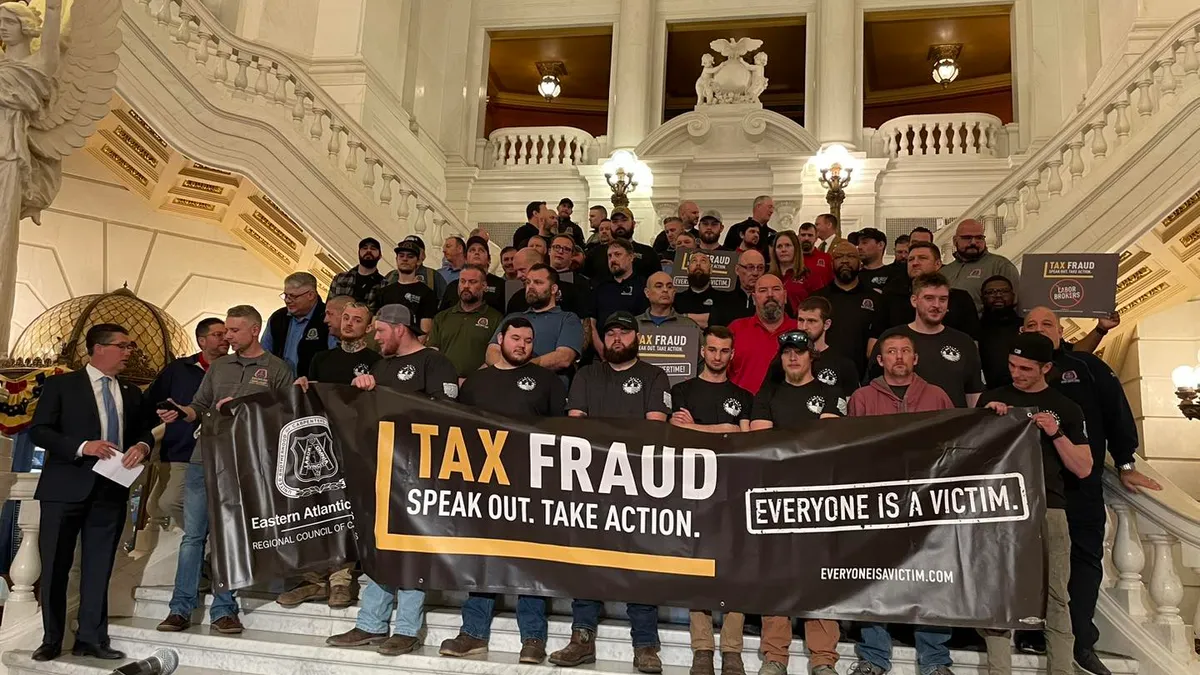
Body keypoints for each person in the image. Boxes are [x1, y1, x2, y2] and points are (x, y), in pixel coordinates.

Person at [1021, 307, 1160, 675]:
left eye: (1046, 324)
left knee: (1084, 562)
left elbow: (1116, 412)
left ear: (1061, 330)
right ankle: (1030, 633)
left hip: (1080, 487)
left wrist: (1126, 464)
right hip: (1032, 491)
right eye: (1031, 325)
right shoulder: (1013, 378)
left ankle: (1081, 641)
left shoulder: (1085, 366)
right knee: (1031, 563)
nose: (1039, 330)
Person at [326, 304, 458, 656]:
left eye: (380, 331)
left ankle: (407, 628)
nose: (375, 337)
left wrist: (393, 402)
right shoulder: (380, 366)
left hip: (421, 470)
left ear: (400, 329)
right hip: (381, 466)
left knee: (411, 546)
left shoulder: (434, 362)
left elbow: (448, 413)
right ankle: (371, 622)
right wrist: (362, 388)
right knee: (379, 544)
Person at [157, 306, 294, 638]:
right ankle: (180, 609)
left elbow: (287, 418)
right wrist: (182, 412)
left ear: (254, 330)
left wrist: (246, 408)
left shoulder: (277, 369)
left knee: (228, 539)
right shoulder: (218, 367)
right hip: (203, 459)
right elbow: (200, 406)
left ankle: (223, 610)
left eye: (234, 330)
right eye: (226, 331)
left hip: (244, 465)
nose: (227, 337)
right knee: (192, 538)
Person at [439, 317, 565, 665]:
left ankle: (534, 638)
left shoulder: (547, 381)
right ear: (501, 339)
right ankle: (473, 633)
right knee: (482, 557)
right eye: (516, 338)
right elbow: (457, 432)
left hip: (532, 486)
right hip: (484, 484)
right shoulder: (477, 382)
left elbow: (563, 434)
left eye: (528, 340)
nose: (522, 344)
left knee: (530, 559)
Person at [551, 311, 669, 674]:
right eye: (611, 333)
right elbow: (576, 426)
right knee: (587, 558)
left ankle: (645, 643)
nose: (617, 338)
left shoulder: (654, 375)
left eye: (625, 333)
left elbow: (655, 428)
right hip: (592, 481)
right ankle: (581, 637)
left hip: (639, 483)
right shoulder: (587, 374)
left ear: (637, 337)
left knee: (640, 561)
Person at [29, 324, 154, 662]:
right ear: (99, 348)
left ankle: (92, 638)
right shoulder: (61, 385)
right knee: (55, 566)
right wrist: (84, 446)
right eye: (123, 346)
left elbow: (144, 430)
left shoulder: (131, 392)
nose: (129, 352)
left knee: (99, 568)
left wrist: (142, 445)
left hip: (111, 490)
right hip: (64, 489)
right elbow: (39, 431)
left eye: (130, 346)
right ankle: (52, 639)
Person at [976, 332, 1094, 675]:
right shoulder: (993, 398)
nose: (1016, 373)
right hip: (1000, 507)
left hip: (1048, 508)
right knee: (997, 594)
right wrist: (986, 421)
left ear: (1046, 367)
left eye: (1026, 368)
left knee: (1056, 597)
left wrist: (1056, 433)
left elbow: (1084, 468)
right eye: (1012, 366)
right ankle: (1000, 670)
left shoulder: (1067, 407)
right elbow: (969, 456)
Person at [845, 332, 955, 675]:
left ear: (916, 358)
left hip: (927, 503)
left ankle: (935, 659)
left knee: (933, 576)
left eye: (906, 351)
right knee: (874, 577)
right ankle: (874, 656)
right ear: (879, 360)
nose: (899, 357)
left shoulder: (937, 396)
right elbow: (851, 447)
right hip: (878, 501)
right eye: (891, 351)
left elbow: (956, 443)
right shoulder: (862, 398)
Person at [747, 330, 841, 675]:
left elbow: (829, 440)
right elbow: (761, 440)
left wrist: (789, 442)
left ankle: (823, 658)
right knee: (777, 574)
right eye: (787, 352)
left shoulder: (830, 393)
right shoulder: (767, 393)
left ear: (810, 355)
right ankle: (774, 655)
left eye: (799, 352)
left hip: (819, 498)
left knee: (821, 574)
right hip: (776, 496)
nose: (793, 358)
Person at [278, 301, 380, 609]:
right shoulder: (320, 358)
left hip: (357, 447)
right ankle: (312, 580)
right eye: (346, 318)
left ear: (369, 326)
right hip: (318, 447)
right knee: (314, 510)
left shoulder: (377, 362)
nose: (349, 324)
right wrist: (303, 385)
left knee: (345, 512)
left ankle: (340, 581)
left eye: (357, 320)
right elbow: (310, 399)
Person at [669, 325, 751, 675]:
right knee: (697, 567)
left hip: (734, 490)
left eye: (724, 351)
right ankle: (702, 648)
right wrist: (724, 430)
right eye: (712, 350)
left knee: (737, 568)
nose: (717, 356)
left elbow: (744, 440)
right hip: (694, 490)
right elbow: (675, 437)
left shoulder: (744, 396)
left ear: (732, 355)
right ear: (702, 351)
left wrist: (699, 429)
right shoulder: (681, 391)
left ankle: (731, 650)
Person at [144, 318, 229, 529]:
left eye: (226, 334)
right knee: (166, 502)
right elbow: (152, 399)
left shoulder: (234, 369)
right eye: (218, 335)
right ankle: (207, 538)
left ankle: (205, 540)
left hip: (221, 450)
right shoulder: (180, 369)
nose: (225, 339)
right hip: (181, 448)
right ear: (202, 341)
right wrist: (163, 414)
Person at [870, 273, 983, 408]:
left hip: (953, 425)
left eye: (943, 299)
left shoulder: (964, 342)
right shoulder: (891, 338)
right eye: (929, 298)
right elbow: (873, 388)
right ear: (914, 300)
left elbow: (973, 394)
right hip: (904, 425)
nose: (936, 305)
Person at [487, 264, 584, 383]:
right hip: (505, 383)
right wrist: (510, 369)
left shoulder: (568, 319)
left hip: (546, 385)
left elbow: (564, 357)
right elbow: (491, 351)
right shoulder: (513, 317)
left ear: (553, 289)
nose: (530, 287)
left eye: (538, 282)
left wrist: (520, 368)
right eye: (528, 282)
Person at [874, 242, 980, 340]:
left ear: (938, 264)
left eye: (922, 258)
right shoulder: (890, 298)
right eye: (911, 259)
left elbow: (972, 345)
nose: (915, 263)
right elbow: (875, 343)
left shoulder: (961, 299)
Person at [813, 241, 879, 379]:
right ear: (831, 264)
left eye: (850, 256)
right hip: (821, 375)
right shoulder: (817, 299)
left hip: (863, 378)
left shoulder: (876, 299)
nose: (845, 261)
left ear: (860, 263)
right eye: (839, 257)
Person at [427, 265, 505, 377]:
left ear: (484, 286)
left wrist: (471, 380)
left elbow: (495, 357)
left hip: (479, 384)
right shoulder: (442, 316)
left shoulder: (496, 319)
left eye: (472, 282)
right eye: (462, 281)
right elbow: (432, 351)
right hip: (441, 380)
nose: (466, 286)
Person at [729, 274, 798, 394]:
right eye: (763, 290)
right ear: (754, 299)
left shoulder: (800, 329)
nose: (770, 294)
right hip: (742, 407)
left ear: (785, 296)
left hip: (789, 406)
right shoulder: (736, 328)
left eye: (776, 289)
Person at [261, 272, 334, 377]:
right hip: (278, 385)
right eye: (285, 295)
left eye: (293, 296)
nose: (287, 300)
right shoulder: (277, 318)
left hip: (312, 387)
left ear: (311, 295)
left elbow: (334, 357)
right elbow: (264, 353)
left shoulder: (327, 318)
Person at [942, 219, 1020, 312]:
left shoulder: (1000, 266)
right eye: (967, 238)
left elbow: (1016, 304)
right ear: (955, 241)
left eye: (979, 238)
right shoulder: (944, 271)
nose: (974, 242)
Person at [794, 297, 860, 399]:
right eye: (801, 320)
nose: (804, 327)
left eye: (811, 321)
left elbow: (852, 405)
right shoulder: (787, 359)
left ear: (827, 324)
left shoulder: (843, 364)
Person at [591, 239, 650, 347]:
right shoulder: (599, 287)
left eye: (618, 254)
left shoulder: (644, 285)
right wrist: (600, 349)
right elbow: (591, 323)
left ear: (631, 257)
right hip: (602, 352)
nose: (613, 259)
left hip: (636, 349)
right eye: (610, 256)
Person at [372, 239, 438, 334]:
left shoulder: (427, 294)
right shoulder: (383, 292)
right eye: (401, 256)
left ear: (418, 261)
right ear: (396, 259)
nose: (405, 259)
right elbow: (375, 325)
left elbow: (425, 331)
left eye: (410, 256)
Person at [583, 207, 660, 280]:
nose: (619, 224)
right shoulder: (595, 253)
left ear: (633, 223)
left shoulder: (648, 253)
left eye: (624, 220)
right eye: (615, 221)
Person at [438, 235, 506, 313]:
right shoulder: (453, 286)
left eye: (481, 250)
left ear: (489, 259)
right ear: (466, 259)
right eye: (472, 250)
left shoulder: (501, 285)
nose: (476, 253)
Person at [979, 275, 1023, 388]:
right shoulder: (973, 329)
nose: (998, 296)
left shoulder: (1026, 327)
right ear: (982, 297)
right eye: (991, 292)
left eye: (1004, 291)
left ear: (1013, 296)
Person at [709, 249, 767, 328]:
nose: (755, 273)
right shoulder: (722, 301)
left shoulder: (770, 300)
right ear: (737, 269)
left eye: (760, 268)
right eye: (750, 267)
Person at [327, 237, 387, 305]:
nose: (368, 251)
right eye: (364, 248)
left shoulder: (383, 285)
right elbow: (329, 306)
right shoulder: (340, 278)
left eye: (373, 248)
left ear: (380, 255)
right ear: (358, 253)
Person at [768, 230, 815, 312]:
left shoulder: (808, 275)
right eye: (779, 246)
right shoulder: (768, 277)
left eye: (787, 245)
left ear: (796, 248)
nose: (783, 250)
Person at [674, 251, 723, 328]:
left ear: (711, 270)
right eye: (694, 261)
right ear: (687, 270)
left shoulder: (723, 298)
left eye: (703, 261)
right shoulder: (676, 299)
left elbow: (720, 321)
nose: (698, 264)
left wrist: (683, 316)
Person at [797, 222, 834, 289]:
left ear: (816, 238)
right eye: (803, 235)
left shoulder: (826, 258)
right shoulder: (793, 259)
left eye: (810, 235)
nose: (806, 238)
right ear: (798, 237)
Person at [856, 227, 894, 292]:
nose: (859, 247)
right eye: (858, 243)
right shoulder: (854, 275)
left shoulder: (894, 275)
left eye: (864, 242)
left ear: (880, 245)